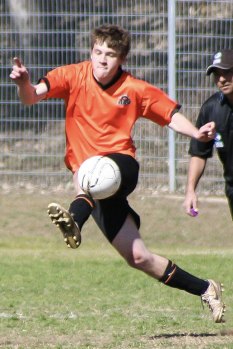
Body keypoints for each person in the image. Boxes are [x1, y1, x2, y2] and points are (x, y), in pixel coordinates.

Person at [10, 24, 225, 323]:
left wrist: (198, 134)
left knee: (88, 175)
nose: (102, 60)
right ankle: (206, 288)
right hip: (91, 182)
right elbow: (32, 96)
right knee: (138, 257)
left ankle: (74, 219)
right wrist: (24, 83)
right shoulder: (72, 75)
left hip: (121, 167)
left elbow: (170, 116)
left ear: (121, 58)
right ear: (90, 52)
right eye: (97, 52)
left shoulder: (134, 89)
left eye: (110, 55)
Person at [184, 49, 233, 221]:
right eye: (216, 74)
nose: (221, 79)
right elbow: (199, 153)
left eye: (227, 72)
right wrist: (190, 191)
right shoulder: (211, 109)